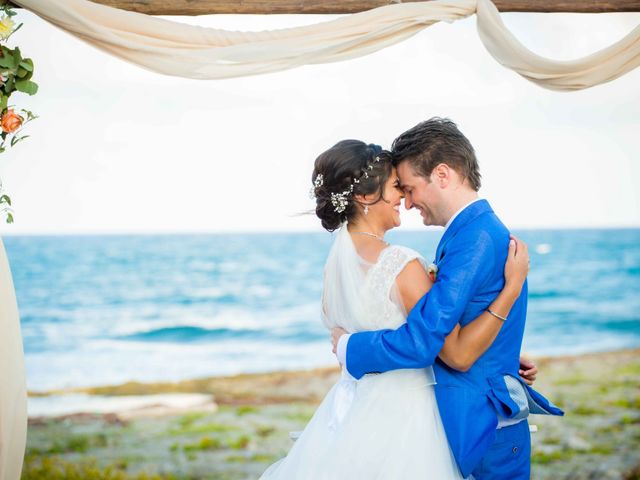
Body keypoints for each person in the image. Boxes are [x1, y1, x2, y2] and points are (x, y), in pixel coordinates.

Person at [260, 138, 531, 479]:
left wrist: (498, 354)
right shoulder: (401, 264)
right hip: (409, 415)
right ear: (364, 196)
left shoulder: (335, 265)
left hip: (357, 411)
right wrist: (512, 287)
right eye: (396, 187)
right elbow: (448, 348)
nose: (403, 197)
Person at [331, 118, 564, 480]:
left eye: (409, 188)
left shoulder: (475, 238)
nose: (407, 203)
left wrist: (350, 348)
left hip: (487, 427)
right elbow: (456, 321)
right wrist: (499, 350)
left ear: (442, 175)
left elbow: (443, 348)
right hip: (481, 420)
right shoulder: (468, 232)